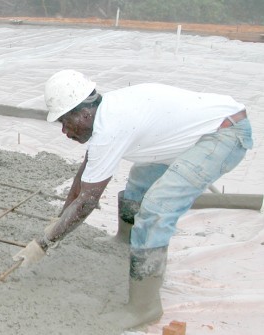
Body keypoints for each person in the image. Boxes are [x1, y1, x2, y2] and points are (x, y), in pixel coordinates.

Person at [13, 70, 252, 329]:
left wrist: (44, 243)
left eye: (64, 122)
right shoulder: (106, 114)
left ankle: (144, 306)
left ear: (82, 113)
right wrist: (59, 218)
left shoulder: (111, 126)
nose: (64, 131)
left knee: (156, 209)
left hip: (223, 135)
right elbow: (82, 181)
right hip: (198, 132)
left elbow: (87, 201)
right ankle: (126, 242)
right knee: (139, 181)